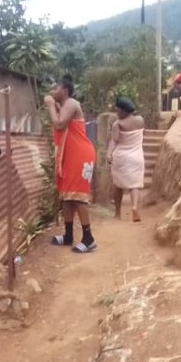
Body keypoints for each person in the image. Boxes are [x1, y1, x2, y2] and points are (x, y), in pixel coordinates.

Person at [44, 76, 98, 253]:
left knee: (78, 197)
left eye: (56, 88)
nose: (53, 91)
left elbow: (59, 124)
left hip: (80, 155)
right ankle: (68, 235)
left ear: (65, 91)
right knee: (67, 196)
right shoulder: (63, 106)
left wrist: (50, 105)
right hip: (69, 155)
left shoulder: (72, 103)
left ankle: (88, 238)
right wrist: (54, 106)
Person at [107, 97, 145, 222]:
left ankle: (118, 213)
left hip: (122, 157)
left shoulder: (118, 124)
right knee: (135, 184)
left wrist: (109, 154)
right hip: (137, 157)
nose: (117, 114)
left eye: (118, 111)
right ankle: (134, 207)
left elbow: (114, 140)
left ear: (124, 111)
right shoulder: (140, 120)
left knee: (118, 185)